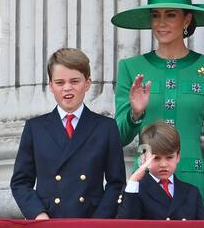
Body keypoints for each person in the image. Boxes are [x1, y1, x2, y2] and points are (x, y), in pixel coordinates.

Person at [112, 0, 204, 219]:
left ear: (187, 19)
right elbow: (119, 138)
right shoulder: (130, 67)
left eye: (170, 15)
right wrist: (135, 114)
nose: (161, 23)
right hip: (144, 182)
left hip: (193, 181)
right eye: (156, 15)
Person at [11, 47, 124, 219]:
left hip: (91, 222)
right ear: (50, 86)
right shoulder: (35, 128)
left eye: (74, 81)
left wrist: (100, 220)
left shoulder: (106, 128)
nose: (67, 88)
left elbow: (116, 183)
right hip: (49, 221)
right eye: (60, 82)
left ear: (87, 83)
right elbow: (20, 182)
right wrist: (38, 214)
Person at [116, 121, 204, 220]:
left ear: (177, 156)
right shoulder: (135, 189)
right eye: (156, 158)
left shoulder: (192, 193)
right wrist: (133, 181)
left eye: (169, 157)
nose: (163, 164)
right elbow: (126, 225)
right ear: (144, 158)